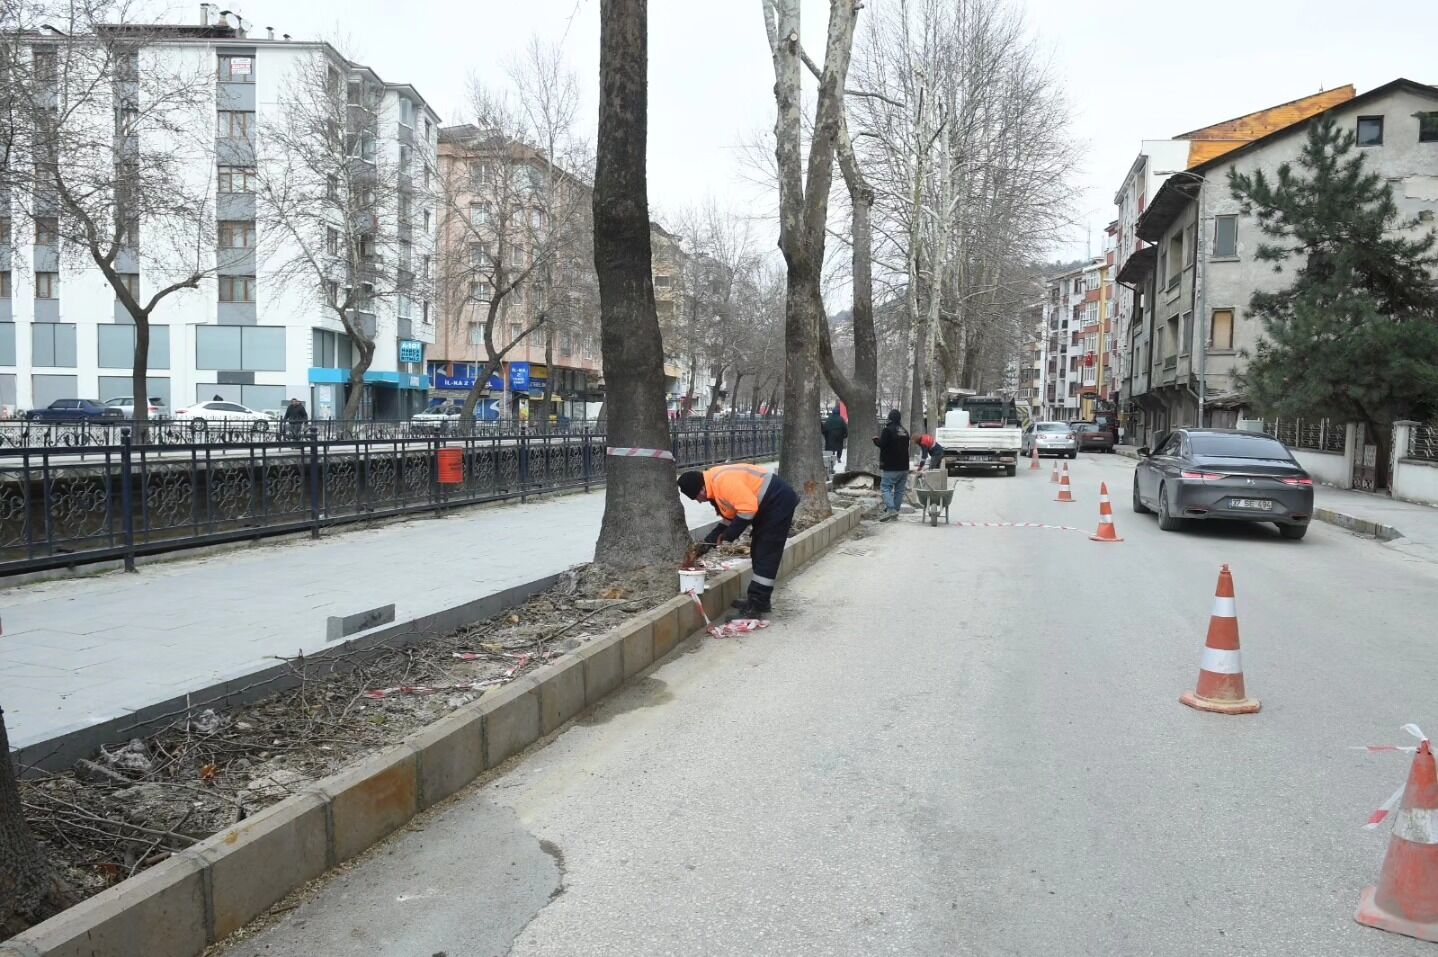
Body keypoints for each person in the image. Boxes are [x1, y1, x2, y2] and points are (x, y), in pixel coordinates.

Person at [677, 463, 799, 617]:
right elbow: (730, 517)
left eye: (697, 498)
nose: (700, 502)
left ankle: (757, 605)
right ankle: (757, 600)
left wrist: (729, 535)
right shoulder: (715, 484)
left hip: (778, 502)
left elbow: (748, 509)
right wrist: (707, 544)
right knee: (758, 550)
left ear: (701, 489)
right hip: (769, 504)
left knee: (766, 552)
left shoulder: (722, 482)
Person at [872, 409, 910, 522]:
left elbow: (883, 444)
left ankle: (891, 509)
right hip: (904, 466)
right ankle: (895, 511)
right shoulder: (904, 431)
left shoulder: (887, 430)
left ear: (890, 418)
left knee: (885, 487)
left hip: (891, 466)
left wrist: (875, 440)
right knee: (899, 490)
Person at [821, 406, 848, 474]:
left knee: (830, 448)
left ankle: (831, 458)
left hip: (830, 436)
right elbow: (845, 428)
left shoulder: (829, 419)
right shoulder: (841, 419)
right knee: (839, 447)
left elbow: (824, 429)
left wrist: (826, 436)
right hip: (839, 436)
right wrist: (845, 435)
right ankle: (838, 457)